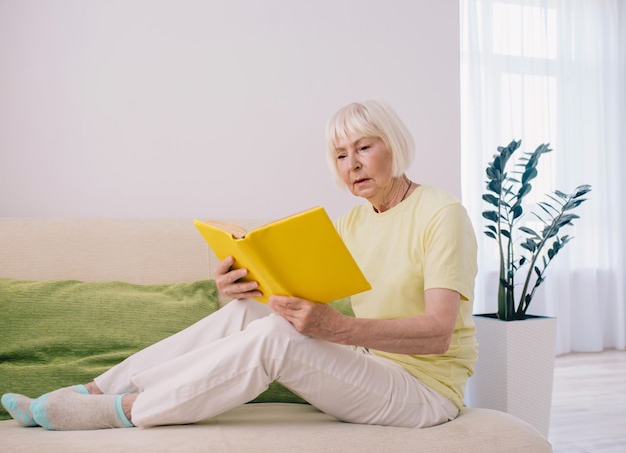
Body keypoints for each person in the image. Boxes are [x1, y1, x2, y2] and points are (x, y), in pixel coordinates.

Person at [1, 99, 478, 430]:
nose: (351, 163)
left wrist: (339, 329)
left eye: (364, 147)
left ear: (393, 143)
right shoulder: (355, 221)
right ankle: (90, 391)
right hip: (371, 367)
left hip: (424, 392)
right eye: (340, 154)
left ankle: (126, 410)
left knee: (275, 338)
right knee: (249, 315)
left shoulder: (441, 214)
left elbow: (437, 333)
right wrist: (246, 284)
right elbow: (310, 296)